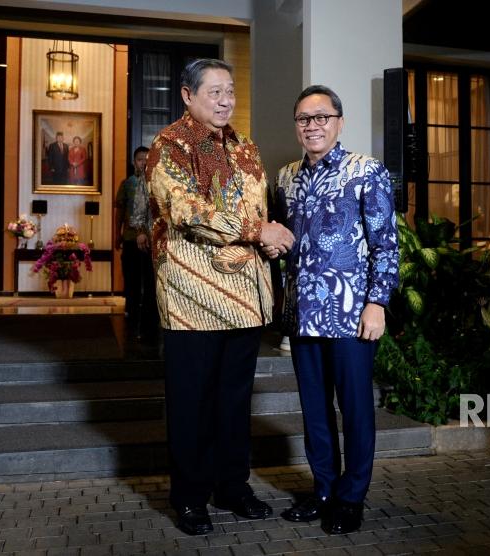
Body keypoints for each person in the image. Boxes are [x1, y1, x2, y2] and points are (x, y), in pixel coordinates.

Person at [145, 58, 295, 536]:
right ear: (188, 96)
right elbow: (186, 210)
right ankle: (190, 497)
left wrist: (268, 238)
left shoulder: (245, 146)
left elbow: (259, 206)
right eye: (214, 91)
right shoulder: (170, 145)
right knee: (192, 401)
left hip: (245, 294)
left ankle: (233, 486)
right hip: (192, 296)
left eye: (230, 90)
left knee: (234, 400)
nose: (226, 99)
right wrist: (258, 230)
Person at [269, 85, 399, 535]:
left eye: (322, 117)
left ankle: (351, 496)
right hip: (305, 315)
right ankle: (324, 488)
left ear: (339, 122)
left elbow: (386, 244)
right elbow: (284, 243)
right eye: (305, 118)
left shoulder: (367, 171)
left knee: (356, 409)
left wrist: (377, 302)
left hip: (351, 315)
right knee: (315, 410)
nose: (313, 126)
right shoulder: (285, 177)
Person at [115, 146, 156, 338]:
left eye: (147, 159)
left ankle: (147, 318)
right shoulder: (129, 184)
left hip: (150, 240)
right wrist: (118, 234)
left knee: (148, 280)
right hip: (132, 238)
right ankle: (131, 311)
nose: (144, 163)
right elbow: (120, 212)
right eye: (140, 160)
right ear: (134, 162)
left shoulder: (154, 181)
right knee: (132, 277)